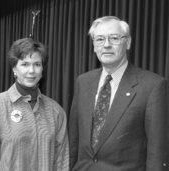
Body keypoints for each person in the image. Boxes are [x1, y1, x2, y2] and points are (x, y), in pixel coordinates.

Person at [69, 16, 169, 171]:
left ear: (127, 42)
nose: (106, 45)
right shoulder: (83, 82)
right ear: (94, 46)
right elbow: (74, 142)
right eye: (100, 39)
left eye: (114, 38)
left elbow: (157, 153)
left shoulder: (153, 86)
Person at [0, 37, 69, 171]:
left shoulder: (56, 111)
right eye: (25, 64)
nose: (31, 71)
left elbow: (61, 163)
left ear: (42, 69)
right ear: (14, 68)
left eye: (37, 64)